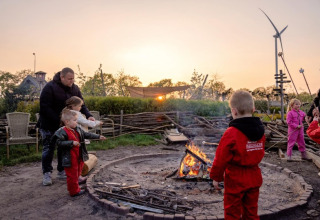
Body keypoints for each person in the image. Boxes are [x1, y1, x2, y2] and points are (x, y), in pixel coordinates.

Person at [210, 90, 265, 219]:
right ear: (253, 109)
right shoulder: (261, 131)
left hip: (236, 179)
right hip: (254, 176)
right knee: (251, 211)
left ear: (234, 111)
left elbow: (220, 158)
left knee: (232, 212)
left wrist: (216, 177)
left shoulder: (231, 133)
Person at [38, 67, 95, 186]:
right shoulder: (50, 87)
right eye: (69, 79)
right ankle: (47, 173)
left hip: (65, 125)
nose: (72, 81)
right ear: (62, 77)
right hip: (49, 124)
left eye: (73, 79)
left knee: (64, 148)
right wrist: (60, 120)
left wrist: (88, 115)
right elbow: (44, 107)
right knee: (49, 148)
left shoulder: (75, 88)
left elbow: (81, 103)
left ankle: (61, 170)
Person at [52, 109, 106, 197]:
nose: (77, 122)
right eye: (75, 120)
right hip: (70, 157)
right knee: (72, 175)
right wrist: (71, 143)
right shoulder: (61, 132)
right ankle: (74, 191)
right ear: (67, 121)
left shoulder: (77, 129)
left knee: (78, 170)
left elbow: (86, 135)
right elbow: (58, 143)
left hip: (79, 155)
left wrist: (98, 136)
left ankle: (77, 183)